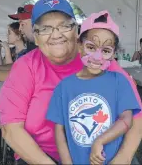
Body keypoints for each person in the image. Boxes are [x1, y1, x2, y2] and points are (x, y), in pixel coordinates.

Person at [0, 0, 142, 165]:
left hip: (104, 154)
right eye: (45, 29)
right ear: (35, 38)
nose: (56, 34)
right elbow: (12, 129)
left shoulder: (98, 60)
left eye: (64, 26)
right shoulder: (25, 67)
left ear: (76, 31)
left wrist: (122, 159)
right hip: (42, 156)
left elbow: (136, 116)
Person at [46, 11, 141, 165]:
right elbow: (59, 131)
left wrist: (100, 141)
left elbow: (127, 119)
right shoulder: (64, 87)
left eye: (105, 51)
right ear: (80, 46)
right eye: (91, 47)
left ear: (113, 54)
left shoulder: (119, 82)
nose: (97, 57)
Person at [0, 5, 36, 82]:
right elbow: (18, 66)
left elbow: (24, 75)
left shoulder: (42, 47)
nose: (20, 28)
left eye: (23, 24)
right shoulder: (31, 45)